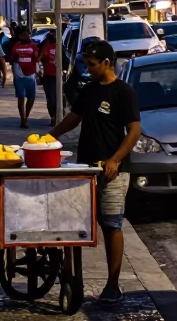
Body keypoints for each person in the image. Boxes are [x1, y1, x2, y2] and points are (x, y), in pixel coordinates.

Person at [51, 39, 141, 305]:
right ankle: (70, 276)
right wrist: (48, 138)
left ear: (106, 63)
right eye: (86, 64)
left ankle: (113, 284)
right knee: (76, 224)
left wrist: (114, 160)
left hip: (114, 171)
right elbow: (73, 118)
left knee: (111, 225)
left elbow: (134, 130)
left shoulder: (124, 92)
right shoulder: (88, 91)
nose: (88, 68)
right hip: (85, 168)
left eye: (92, 64)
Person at [9, 26, 40, 128]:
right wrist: (14, 58)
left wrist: (36, 57)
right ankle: (23, 119)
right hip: (19, 75)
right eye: (24, 34)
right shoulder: (16, 46)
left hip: (31, 75)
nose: (27, 36)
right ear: (20, 36)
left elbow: (37, 59)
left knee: (31, 98)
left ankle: (26, 116)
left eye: (28, 34)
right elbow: (11, 59)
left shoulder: (34, 46)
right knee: (21, 97)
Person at [37, 30, 58, 122]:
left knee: (58, 98)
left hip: (59, 76)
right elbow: (40, 58)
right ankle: (53, 116)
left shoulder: (61, 47)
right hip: (48, 76)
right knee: (51, 98)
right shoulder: (45, 46)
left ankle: (57, 116)